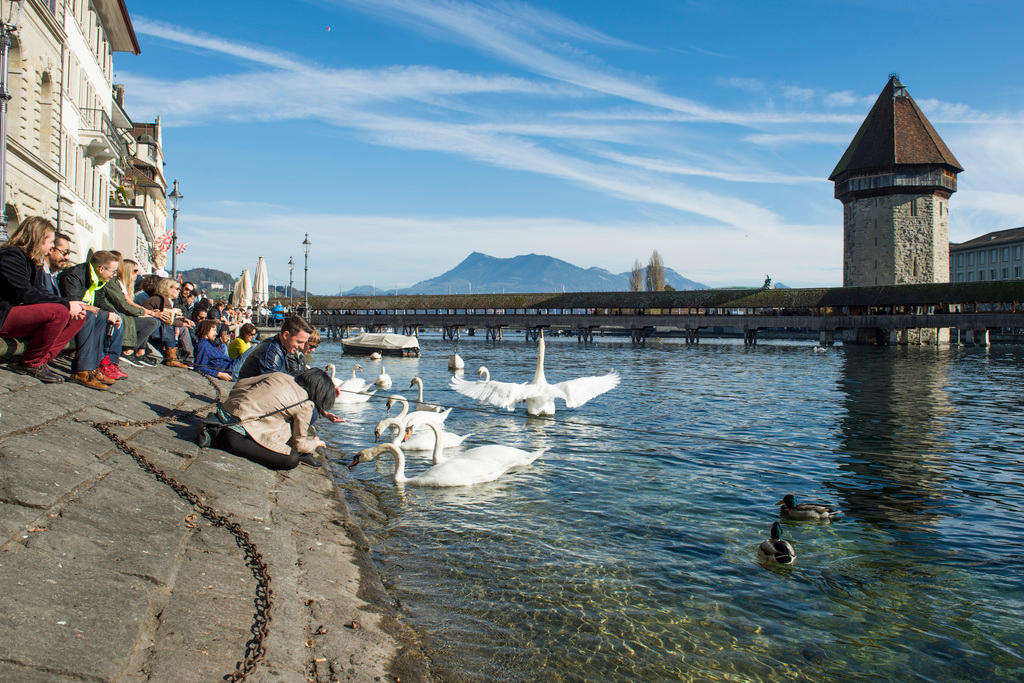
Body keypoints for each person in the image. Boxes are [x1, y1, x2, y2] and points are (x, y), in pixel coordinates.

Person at [0, 216, 88, 383]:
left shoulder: (33, 262)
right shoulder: (11, 257)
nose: (52, 246)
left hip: (16, 312)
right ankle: (30, 363)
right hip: (4, 314)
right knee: (59, 312)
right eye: (50, 241)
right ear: (38, 239)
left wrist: (72, 304)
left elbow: (39, 291)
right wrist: (65, 304)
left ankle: (42, 360)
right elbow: (25, 294)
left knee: (79, 315)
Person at [214, 368, 337, 470]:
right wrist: (314, 443)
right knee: (291, 459)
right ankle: (217, 437)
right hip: (234, 436)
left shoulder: (279, 376)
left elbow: (240, 384)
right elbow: (299, 444)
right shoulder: (306, 404)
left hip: (224, 414)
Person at [58, 250, 126, 386]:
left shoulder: (98, 279)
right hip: (67, 313)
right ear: (101, 268)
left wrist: (112, 313)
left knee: (102, 315)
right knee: (94, 315)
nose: (114, 275)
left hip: (86, 315)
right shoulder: (75, 275)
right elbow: (73, 301)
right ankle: (82, 370)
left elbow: (100, 302)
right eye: (113, 271)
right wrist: (102, 312)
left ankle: (93, 367)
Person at [103, 259, 162, 366]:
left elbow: (129, 304)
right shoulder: (116, 284)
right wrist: (149, 313)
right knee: (152, 322)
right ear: (127, 271)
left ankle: (140, 352)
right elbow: (124, 305)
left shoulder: (123, 285)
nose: (138, 274)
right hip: (121, 318)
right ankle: (128, 351)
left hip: (125, 316)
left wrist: (148, 312)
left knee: (153, 320)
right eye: (135, 271)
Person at [238, 315, 313, 379]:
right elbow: (273, 386)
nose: (302, 347)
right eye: (299, 342)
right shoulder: (271, 353)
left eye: (304, 343)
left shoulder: (282, 347)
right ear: (286, 335)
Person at [141, 278, 189, 368]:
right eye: (177, 288)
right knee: (169, 325)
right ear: (168, 288)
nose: (179, 291)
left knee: (182, 328)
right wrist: (181, 322)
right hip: (150, 329)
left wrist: (183, 321)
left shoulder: (166, 300)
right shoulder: (161, 299)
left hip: (155, 329)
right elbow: (167, 319)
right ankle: (171, 356)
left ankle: (172, 354)